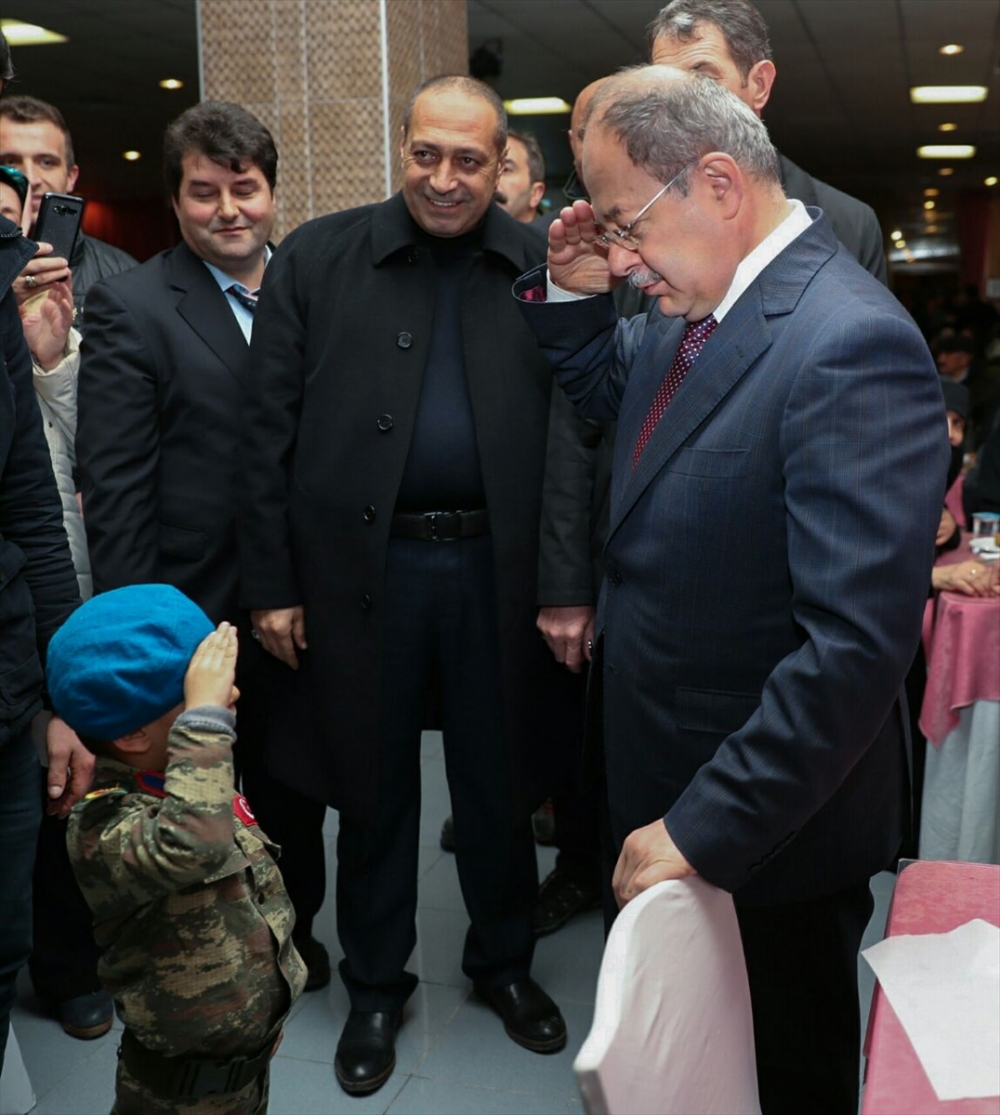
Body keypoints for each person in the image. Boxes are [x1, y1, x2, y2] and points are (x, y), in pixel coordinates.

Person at [515, 67, 947, 1112]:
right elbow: (617, 397)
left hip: (765, 819)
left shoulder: (846, 341)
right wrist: (576, 286)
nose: (623, 258)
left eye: (625, 224)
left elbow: (850, 647)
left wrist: (705, 823)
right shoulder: (695, 301)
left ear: (715, 182)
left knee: (780, 1069)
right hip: (668, 760)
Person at [238, 73, 568, 1097]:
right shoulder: (318, 259)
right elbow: (265, 436)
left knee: (497, 779)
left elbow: (573, 438)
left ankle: (503, 961)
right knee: (370, 786)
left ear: (502, 160)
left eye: (469, 159)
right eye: (426, 152)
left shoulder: (537, 266)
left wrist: (564, 579)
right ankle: (376, 984)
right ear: (404, 145)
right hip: (353, 575)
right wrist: (273, 584)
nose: (443, 176)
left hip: (494, 572)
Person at [76, 101, 330, 996]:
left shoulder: (312, 285)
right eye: (204, 192)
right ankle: (221, 951)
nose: (228, 209)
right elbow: (113, 482)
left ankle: (298, 931)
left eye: (245, 189)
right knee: (208, 788)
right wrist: (146, 635)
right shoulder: (133, 304)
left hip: (304, 592)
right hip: (194, 606)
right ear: (177, 201)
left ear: (271, 191)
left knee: (297, 782)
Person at [48, 586, 306, 1114]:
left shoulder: (182, 777)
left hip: (242, 1069)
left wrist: (261, 1023)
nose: (228, 700)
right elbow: (193, 841)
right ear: (136, 733)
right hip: (176, 1095)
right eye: (203, 698)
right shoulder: (103, 825)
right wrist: (206, 723)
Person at [0, 29, 89, 1073]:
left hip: (54, 594)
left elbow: (46, 471)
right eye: (6, 159)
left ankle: (67, 969)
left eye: (41, 164)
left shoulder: (98, 277)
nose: (25, 183)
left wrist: (49, 355)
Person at [649, 0, 887, 284]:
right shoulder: (636, 216)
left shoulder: (848, 224)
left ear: (759, 85)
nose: (677, 105)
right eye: (663, 85)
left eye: (703, 80)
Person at [0, 95, 135, 324]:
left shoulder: (123, 274)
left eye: (47, 162)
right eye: (10, 162)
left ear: (71, 177)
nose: (31, 179)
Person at [495, 131, 546, 223]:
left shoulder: (554, 236)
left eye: (506, 169)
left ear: (535, 193)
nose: (493, 180)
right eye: (490, 169)